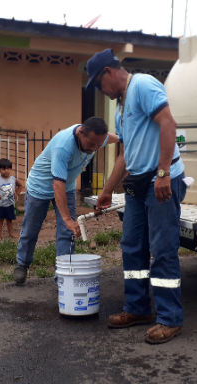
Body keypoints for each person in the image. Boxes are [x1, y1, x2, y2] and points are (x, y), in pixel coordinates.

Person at [87, 49, 187, 344]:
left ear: (108, 72)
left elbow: (168, 124)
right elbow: (125, 154)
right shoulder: (120, 107)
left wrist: (164, 173)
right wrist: (107, 191)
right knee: (132, 245)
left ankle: (170, 318)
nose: (100, 91)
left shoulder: (143, 85)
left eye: (97, 84)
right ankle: (137, 308)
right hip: (136, 182)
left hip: (160, 180)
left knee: (162, 248)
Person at [12, 117, 118, 285]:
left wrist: (128, 139)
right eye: (92, 144)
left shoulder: (96, 138)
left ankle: (63, 274)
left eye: (98, 145)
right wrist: (67, 219)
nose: (94, 149)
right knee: (31, 229)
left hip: (66, 187)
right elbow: (57, 184)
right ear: (80, 132)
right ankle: (22, 264)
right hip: (40, 187)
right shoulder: (64, 146)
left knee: (68, 233)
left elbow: (113, 138)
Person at [0, 158, 24, 240]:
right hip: (0, 205)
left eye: (8, 168)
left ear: (10, 169)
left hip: (10, 204)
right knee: (0, 220)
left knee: (9, 220)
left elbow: (21, 185)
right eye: (3, 169)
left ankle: (11, 233)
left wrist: (16, 193)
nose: (6, 171)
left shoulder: (13, 179)